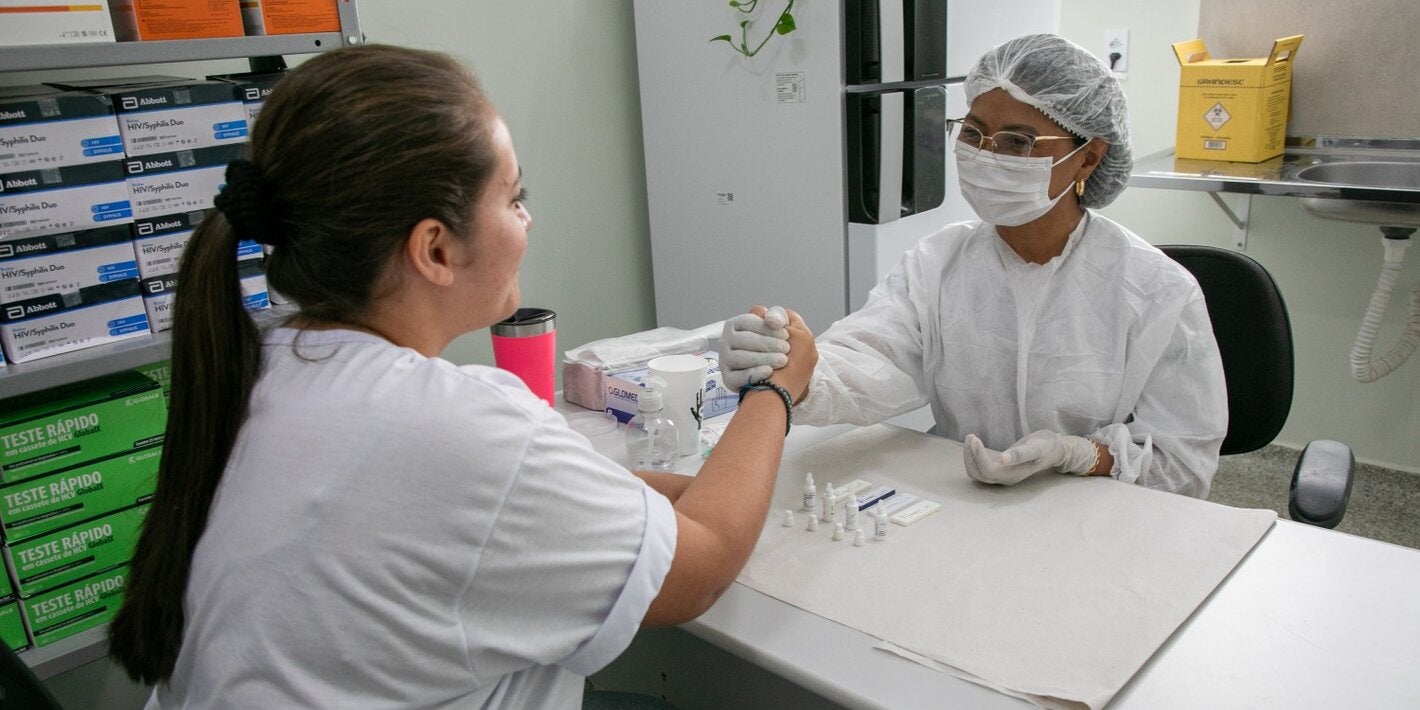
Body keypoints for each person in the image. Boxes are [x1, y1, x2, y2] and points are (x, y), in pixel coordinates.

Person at [108, 44, 817, 709]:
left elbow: (498, 500)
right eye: (513, 197)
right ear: (435, 249)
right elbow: (701, 570)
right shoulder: (458, 429)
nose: (528, 220)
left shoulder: (271, 369)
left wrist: (686, 494)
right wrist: (776, 390)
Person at [720, 34, 1226, 498]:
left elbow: (1183, 463)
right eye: (973, 133)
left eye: (1017, 142)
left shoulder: (1156, 290)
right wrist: (801, 367)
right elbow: (877, 360)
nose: (986, 155)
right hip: (962, 495)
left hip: (1093, 509)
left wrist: (1080, 454)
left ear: (1089, 158)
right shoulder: (938, 262)